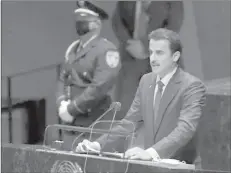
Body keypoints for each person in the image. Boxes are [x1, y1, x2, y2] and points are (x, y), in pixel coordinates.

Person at [76, 28, 206, 166]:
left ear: (175, 56)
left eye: (159, 53)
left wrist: (150, 153)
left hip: (182, 165)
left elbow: (185, 129)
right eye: (151, 52)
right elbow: (129, 123)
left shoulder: (192, 86)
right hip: (152, 166)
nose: (153, 59)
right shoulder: (146, 81)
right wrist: (97, 145)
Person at [56, 4, 121, 148]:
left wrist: (72, 108)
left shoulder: (106, 50)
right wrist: (61, 103)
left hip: (94, 126)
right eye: (78, 19)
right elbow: (63, 79)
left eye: (85, 20)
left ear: (97, 24)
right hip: (71, 125)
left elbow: (99, 87)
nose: (80, 23)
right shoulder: (73, 49)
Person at [111, 1, 184, 122]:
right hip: (131, 59)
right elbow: (117, 21)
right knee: (124, 111)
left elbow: (173, 26)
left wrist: (145, 46)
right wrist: (129, 43)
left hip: (162, 58)